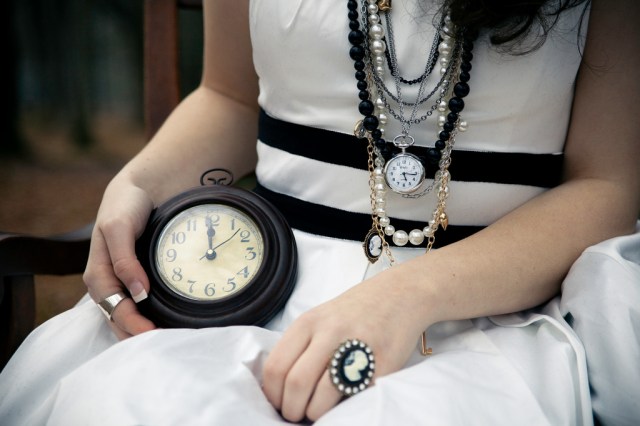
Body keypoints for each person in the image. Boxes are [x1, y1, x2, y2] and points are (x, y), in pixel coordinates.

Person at [1, 0, 639, 424]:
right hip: (249, 283)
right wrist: (138, 182)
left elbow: (607, 183)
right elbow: (229, 95)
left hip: (490, 306)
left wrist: (407, 295)